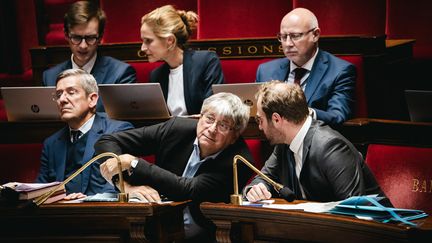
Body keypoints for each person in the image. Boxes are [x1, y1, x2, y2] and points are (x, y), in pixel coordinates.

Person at [95, 92, 253, 242]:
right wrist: (124, 186)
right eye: (209, 118)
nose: (212, 129)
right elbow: (107, 141)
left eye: (224, 126)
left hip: (202, 235)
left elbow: (188, 189)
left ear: (234, 136)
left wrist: (134, 163)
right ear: (199, 117)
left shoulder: (239, 161)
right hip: (152, 221)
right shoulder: (176, 129)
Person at [245, 81, 387, 204]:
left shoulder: (331, 147)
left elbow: (353, 208)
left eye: (260, 119)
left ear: (276, 119)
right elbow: (263, 178)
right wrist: (255, 189)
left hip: (382, 229)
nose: (259, 127)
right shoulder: (284, 144)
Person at [35, 69, 134, 198]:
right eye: (58, 94)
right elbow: (40, 190)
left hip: (102, 213)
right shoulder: (51, 143)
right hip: (59, 213)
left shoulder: (117, 132)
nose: (62, 100)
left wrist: (87, 200)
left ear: (92, 99)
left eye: (71, 92)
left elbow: (123, 185)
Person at [256, 8, 356, 125]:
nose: (288, 43)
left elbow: (337, 116)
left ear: (315, 35)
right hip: (273, 141)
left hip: (314, 141)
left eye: (295, 36)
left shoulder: (340, 71)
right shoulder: (265, 71)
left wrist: (301, 113)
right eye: (283, 37)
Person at [42, 1, 137, 111]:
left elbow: (122, 121)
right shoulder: (50, 77)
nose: (83, 46)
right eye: (76, 38)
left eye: (90, 38)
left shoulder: (120, 74)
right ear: (66, 35)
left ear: (100, 37)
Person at [140, 5, 224, 116]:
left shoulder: (206, 62)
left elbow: (212, 115)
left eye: (148, 41)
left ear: (170, 40)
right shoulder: (156, 75)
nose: (143, 48)